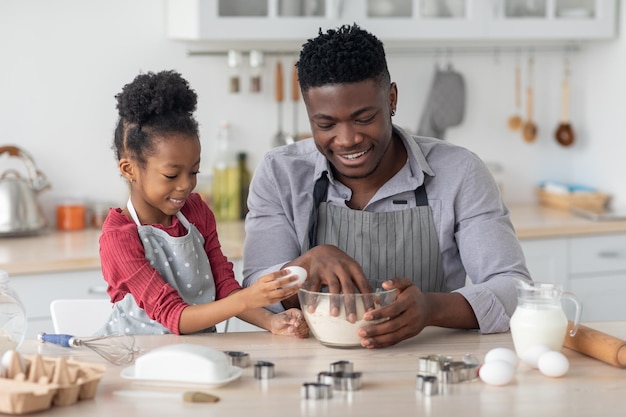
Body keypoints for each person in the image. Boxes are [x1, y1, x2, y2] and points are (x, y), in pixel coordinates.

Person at [242, 24, 531, 348]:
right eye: (326, 124)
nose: (348, 139)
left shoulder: (459, 172)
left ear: (391, 99)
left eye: (364, 118)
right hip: (311, 370)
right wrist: (303, 268)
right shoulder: (280, 173)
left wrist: (432, 309)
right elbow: (254, 295)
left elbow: (513, 288)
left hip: (430, 363)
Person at [97, 70, 308, 338]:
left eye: (194, 172)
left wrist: (272, 322)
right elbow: (173, 317)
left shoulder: (195, 212)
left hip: (199, 355)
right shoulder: (119, 238)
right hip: (136, 360)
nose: (186, 184)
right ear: (129, 169)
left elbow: (223, 285)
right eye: (171, 175)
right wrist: (248, 298)